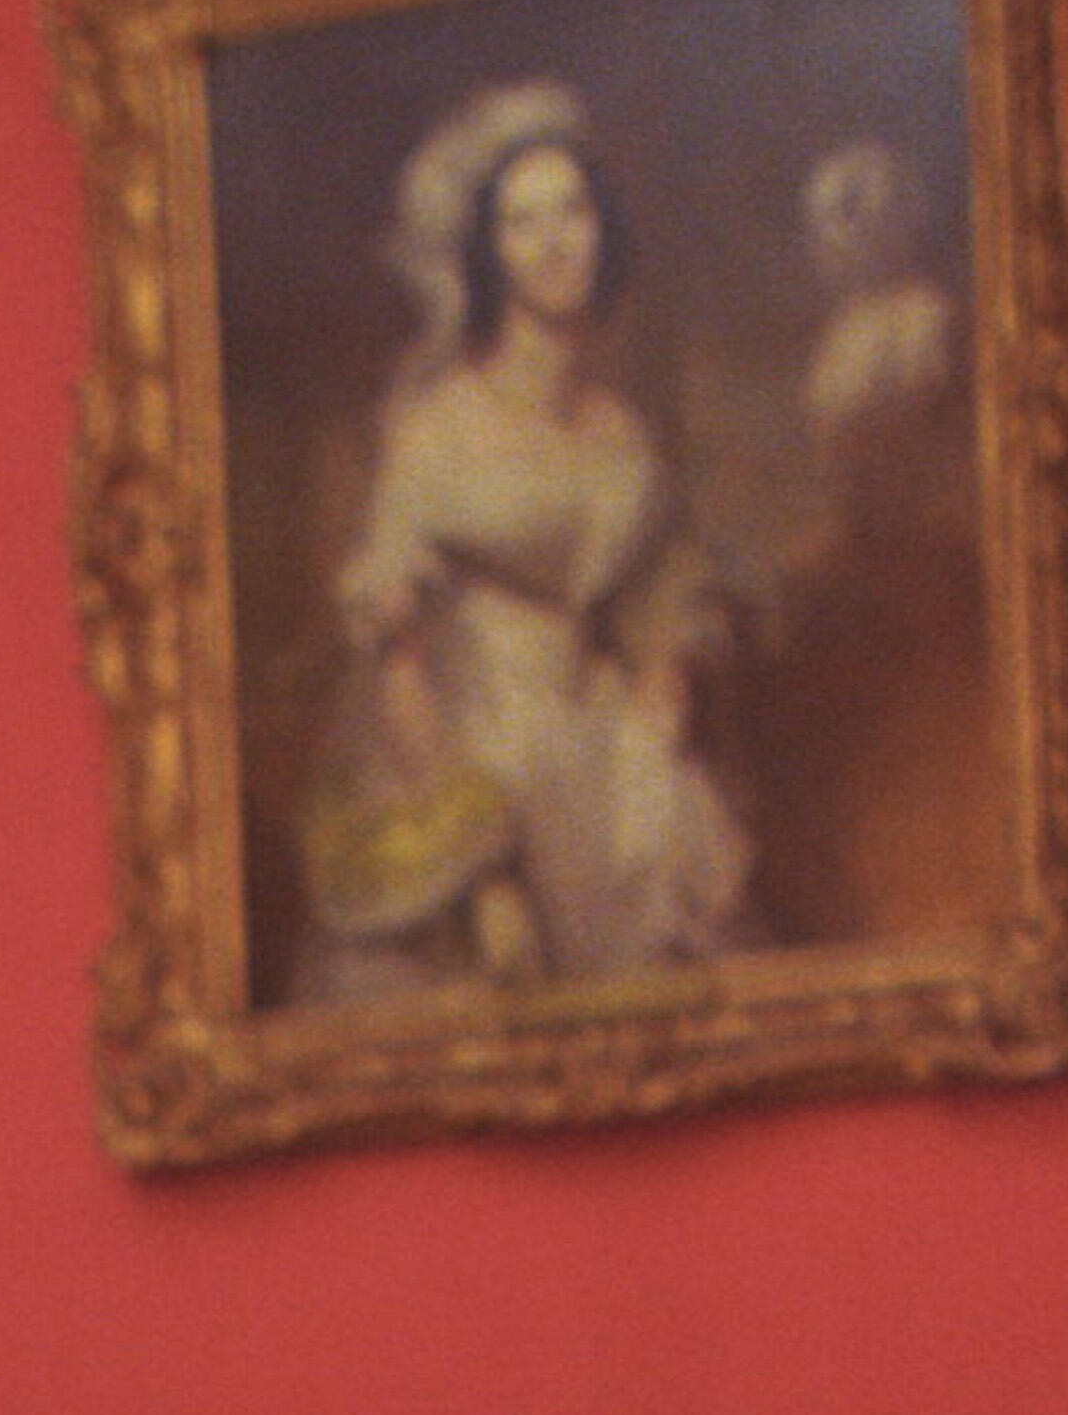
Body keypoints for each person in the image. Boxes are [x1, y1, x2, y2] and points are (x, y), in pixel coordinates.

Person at [284, 79, 754, 1006]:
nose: (551, 244)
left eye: (571, 213)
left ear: (601, 228)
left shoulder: (623, 435)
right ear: (488, 255)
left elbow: (669, 593)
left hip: (605, 758)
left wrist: (666, 681)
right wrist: (480, 869)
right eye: (521, 223)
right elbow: (395, 662)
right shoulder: (436, 431)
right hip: (470, 756)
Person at [749, 127, 1003, 948]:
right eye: (829, 222)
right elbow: (837, 476)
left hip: (916, 555)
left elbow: (915, 469)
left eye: (864, 216)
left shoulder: (931, 324)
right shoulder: (837, 340)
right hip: (853, 557)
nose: (847, 238)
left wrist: (852, 539)